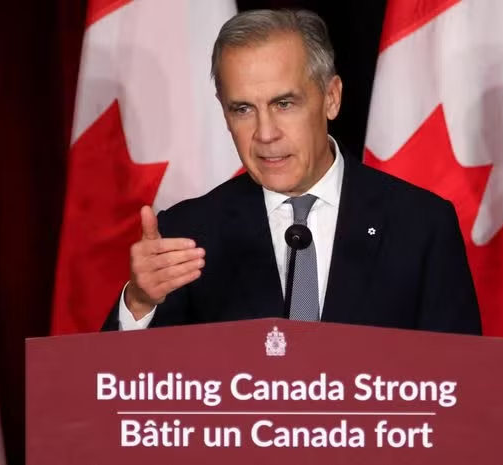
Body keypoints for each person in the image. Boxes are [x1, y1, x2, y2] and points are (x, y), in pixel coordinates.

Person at [101, 9, 481, 335]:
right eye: (243, 109)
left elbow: (460, 381)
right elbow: (122, 387)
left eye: (284, 104)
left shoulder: (421, 226)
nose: (265, 134)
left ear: (331, 98)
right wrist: (140, 303)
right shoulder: (188, 235)